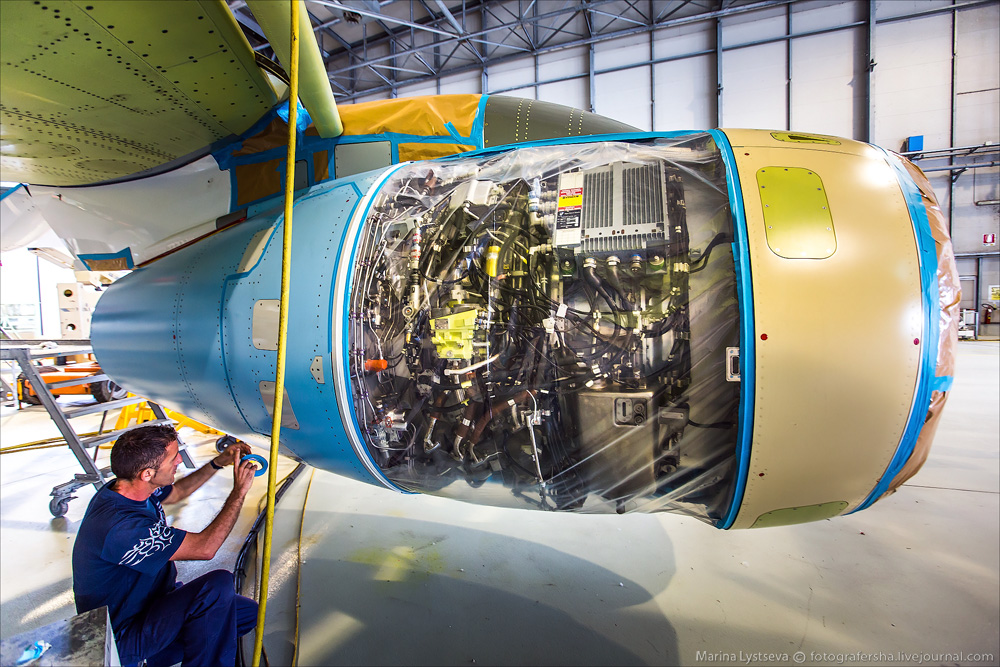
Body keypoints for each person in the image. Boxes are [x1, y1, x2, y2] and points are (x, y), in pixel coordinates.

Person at [72, 424, 259, 667]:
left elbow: (179, 491)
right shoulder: (120, 527)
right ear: (147, 474)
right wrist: (239, 492)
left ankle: (157, 656)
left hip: (150, 603)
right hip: (121, 633)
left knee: (244, 614)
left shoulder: (130, 489)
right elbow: (205, 548)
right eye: (173, 458)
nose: (179, 460)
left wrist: (217, 462)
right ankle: (143, 657)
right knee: (217, 586)